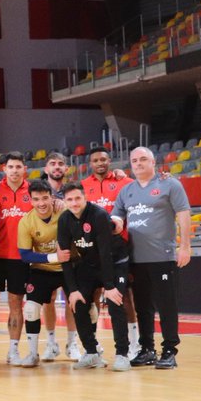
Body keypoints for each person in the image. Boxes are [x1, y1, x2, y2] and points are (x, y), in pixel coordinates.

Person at [111, 147, 191, 369]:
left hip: (162, 257)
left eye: (143, 159)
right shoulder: (126, 190)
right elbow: (117, 217)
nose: (138, 163)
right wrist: (113, 225)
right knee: (143, 307)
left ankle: (169, 350)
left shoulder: (170, 184)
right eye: (134, 160)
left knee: (167, 305)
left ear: (153, 162)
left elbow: (184, 214)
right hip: (136, 259)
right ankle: (147, 349)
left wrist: (185, 246)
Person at [60, 182, 132, 371]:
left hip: (115, 262)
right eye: (70, 199)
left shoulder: (98, 215)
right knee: (78, 302)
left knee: (115, 301)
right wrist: (73, 290)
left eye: (78, 198)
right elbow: (65, 258)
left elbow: (106, 253)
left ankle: (122, 354)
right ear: (64, 201)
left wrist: (109, 286)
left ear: (84, 198)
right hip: (90, 264)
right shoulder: (64, 219)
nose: (74, 203)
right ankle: (91, 353)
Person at [82, 145, 136, 355]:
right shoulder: (84, 186)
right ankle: (93, 345)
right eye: (96, 160)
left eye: (103, 159)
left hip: (120, 248)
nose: (100, 163)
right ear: (91, 164)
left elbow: (143, 188)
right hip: (93, 250)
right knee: (93, 296)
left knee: (125, 297)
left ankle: (133, 342)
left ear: (109, 161)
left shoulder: (125, 182)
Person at [14, 180, 69, 368]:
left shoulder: (64, 212)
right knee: (30, 308)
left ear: (52, 198)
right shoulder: (26, 221)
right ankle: (32, 353)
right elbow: (25, 254)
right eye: (36, 199)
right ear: (30, 200)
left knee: (83, 305)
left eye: (45, 198)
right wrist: (55, 257)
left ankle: (86, 349)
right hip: (43, 268)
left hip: (69, 267)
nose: (41, 203)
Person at [0, 152, 32, 366]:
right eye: (10, 167)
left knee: (16, 304)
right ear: (4, 169)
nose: (14, 170)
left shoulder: (33, 191)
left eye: (18, 166)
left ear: (24, 169)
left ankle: (13, 350)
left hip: (20, 258)